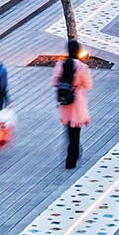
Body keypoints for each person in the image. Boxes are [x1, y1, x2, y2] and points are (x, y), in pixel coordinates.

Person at [52, 40, 92, 169]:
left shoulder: (61, 65)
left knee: (69, 130)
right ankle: (72, 158)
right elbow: (88, 84)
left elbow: (55, 82)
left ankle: (74, 151)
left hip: (64, 101)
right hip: (77, 102)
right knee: (75, 131)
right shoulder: (81, 67)